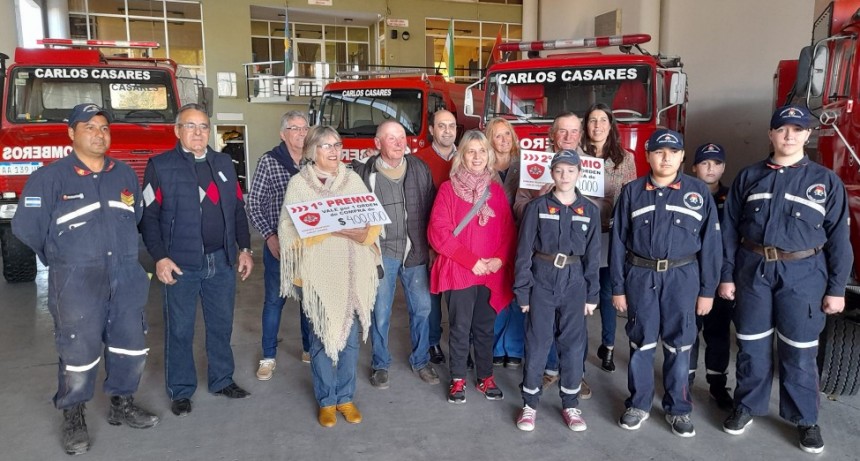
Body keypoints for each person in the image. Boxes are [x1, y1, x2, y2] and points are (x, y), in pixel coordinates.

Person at [12, 104, 159, 455]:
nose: (99, 134)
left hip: (125, 275)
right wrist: (62, 259)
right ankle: (73, 415)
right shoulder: (50, 178)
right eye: (89, 127)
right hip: (77, 281)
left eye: (104, 128)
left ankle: (122, 403)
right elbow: (26, 227)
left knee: (129, 344)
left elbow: (136, 215)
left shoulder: (124, 175)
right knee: (78, 349)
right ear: (71, 133)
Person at [718, 105, 852, 454]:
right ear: (771, 134)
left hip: (804, 275)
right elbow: (728, 231)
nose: (789, 135)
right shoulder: (749, 177)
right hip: (752, 270)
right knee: (752, 344)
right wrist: (726, 275)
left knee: (800, 350)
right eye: (782, 129)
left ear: (808, 135)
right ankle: (747, 406)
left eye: (797, 129)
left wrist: (837, 288)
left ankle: (805, 419)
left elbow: (839, 240)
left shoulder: (826, 182)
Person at [140, 103, 254, 418]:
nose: (198, 132)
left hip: (222, 261)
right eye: (190, 126)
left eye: (203, 126)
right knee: (180, 330)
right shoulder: (161, 166)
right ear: (177, 130)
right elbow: (148, 217)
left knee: (221, 325)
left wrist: (245, 248)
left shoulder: (224, 163)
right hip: (180, 265)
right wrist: (160, 257)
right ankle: (180, 390)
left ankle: (222, 380)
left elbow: (237, 209)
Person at [610, 128, 721, 437]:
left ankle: (678, 409)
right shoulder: (632, 192)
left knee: (680, 344)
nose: (666, 158)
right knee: (641, 342)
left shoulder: (698, 193)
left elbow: (712, 246)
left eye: (673, 152)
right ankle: (638, 404)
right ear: (648, 156)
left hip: (683, 278)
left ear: (682, 156)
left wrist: (707, 291)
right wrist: (618, 287)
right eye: (659, 152)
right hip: (641, 276)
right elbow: (617, 243)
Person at [278, 125, 382, 427]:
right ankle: (326, 400)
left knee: (350, 339)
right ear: (312, 151)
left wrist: (361, 233)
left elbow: (373, 220)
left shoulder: (353, 180)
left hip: (353, 271)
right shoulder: (299, 184)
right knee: (322, 338)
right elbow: (287, 228)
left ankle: (345, 397)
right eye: (327, 146)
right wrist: (327, 228)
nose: (335, 151)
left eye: (337, 145)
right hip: (318, 276)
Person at [513, 149, 600, 432]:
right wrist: (523, 291)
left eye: (570, 170)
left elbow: (593, 257)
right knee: (537, 341)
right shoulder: (537, 208)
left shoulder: (590, 211)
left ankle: (571, 404)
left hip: (575, 282)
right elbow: (524, 251)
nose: (565, 176)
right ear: (552, 173)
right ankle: (530, 404)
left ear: (579, 174)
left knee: (573, 344)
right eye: (559, 170)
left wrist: (592, 294)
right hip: (542, 278)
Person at [428, 130, 516, 404]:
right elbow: (438, 232)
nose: (477, 157)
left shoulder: (496, 191)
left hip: (489, 272)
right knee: (459, 327)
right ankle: (457, 379)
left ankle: (485, 377)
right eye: (471, 151)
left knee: (485, 327)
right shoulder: (448, 189)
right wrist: (471, 261)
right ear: (462, 156)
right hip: (460, 270)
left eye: (482, 151)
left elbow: (508, 231)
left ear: (488, 155)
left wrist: (499, 259)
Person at [352, 120, 440, 388]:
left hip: (415, 252)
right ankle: (380, 363)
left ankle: (421, 360)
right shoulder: (363, 172)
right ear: (378, 143)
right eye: (391, 138)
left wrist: (432, 247)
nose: (399, 142)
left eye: (402, 137)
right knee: (380, 312)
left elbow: (432, 210)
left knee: (422, 309)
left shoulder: (419, 168)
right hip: (382, 253)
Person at [246, 111, 312, 381]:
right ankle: (268, 356)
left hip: (310, 247)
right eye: (294, 128)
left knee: (309, 302)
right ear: (283, 134)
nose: (301, 133)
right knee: (274, 302)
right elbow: (253, 204)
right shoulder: (269, 162)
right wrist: (270, 236)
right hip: (279, 247)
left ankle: (309, 349)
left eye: (304, 128)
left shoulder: (314, 161)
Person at [582, 103, 638, 373]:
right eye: (592, 120)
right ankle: (576, 347)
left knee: (606, 292)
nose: (597, 125)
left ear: (610, 124)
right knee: (581, 291)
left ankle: (608, 346)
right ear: (586, 125)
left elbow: (631, 197)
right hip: (581, 234)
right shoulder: (576, 155)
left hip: (609, 234)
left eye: (603, 120)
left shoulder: (625, 158)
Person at [688, 142, 734, 410]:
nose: (710, 168)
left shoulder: (732, 198)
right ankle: (684, 382)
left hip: (720, 277)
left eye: (716, 163)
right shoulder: (683, 193)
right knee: (687, 330)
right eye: (705, 163)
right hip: (688, 275)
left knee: (718, 333)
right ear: (694, 167)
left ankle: (717, 384)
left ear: (723, 167)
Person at [414, 109, 459, 365]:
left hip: (459, 245)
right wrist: (429, 246)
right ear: (431, 130)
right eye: (441, 126)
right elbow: (417, 209)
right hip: (428, 243)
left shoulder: (466, 158)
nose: (447, 131)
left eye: (451, 125)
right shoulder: (418, 161)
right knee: (430, 298)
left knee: (458, 299)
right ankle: (432, 342)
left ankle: (459, 345)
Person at [486, 117, 525, 369]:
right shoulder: (482, 165)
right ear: (489, 139)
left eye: (507, 134)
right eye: (497, 135)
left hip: (522, 235)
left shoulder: (525, 164)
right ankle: (497, 347)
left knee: (519, 291)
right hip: (493, 239)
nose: (503, 140)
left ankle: (515, 347)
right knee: (497, 290)